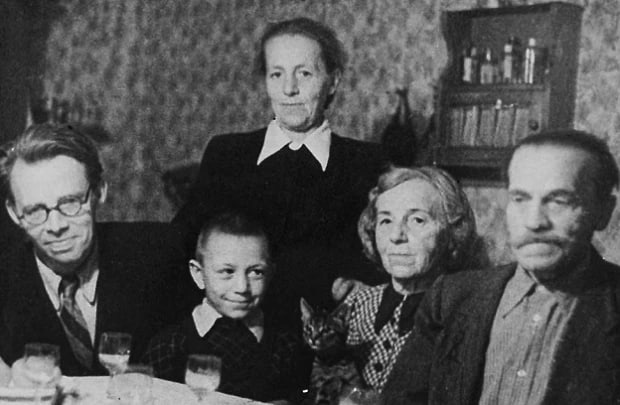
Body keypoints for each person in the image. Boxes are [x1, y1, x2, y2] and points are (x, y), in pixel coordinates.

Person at [381, 129, 620, 404]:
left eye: (559, 201)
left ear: (603, 212)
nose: (534, 222)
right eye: (520, 199)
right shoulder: (450, 298)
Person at [173, 17, 386, 321]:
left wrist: (360, 289)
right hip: (232, 331)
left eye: (304, 73)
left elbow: (380, 264)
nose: (289, 89)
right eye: (276, 74)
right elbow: (182, 246)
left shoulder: (366, 163)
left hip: (324, 339)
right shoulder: (227, 154)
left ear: (333, 81)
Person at [0, 123, 191, 376]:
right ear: (14, 212)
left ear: (100, 191)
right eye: (35, 211)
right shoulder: (5, 279)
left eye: (70, 203)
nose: (56, 227)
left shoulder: (163, 253)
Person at [340, 166, 480, 392]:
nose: (396, 236)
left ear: (452, 231)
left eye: (417, 220)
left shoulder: (462, 318)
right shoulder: (356, 304)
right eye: (386, 221)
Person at [144, 211, 305, 404]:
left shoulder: (287, 346)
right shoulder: (169, 346)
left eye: (256, 272)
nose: (242, 287)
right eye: (227, 271)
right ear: (198, 274)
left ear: (270, 274)